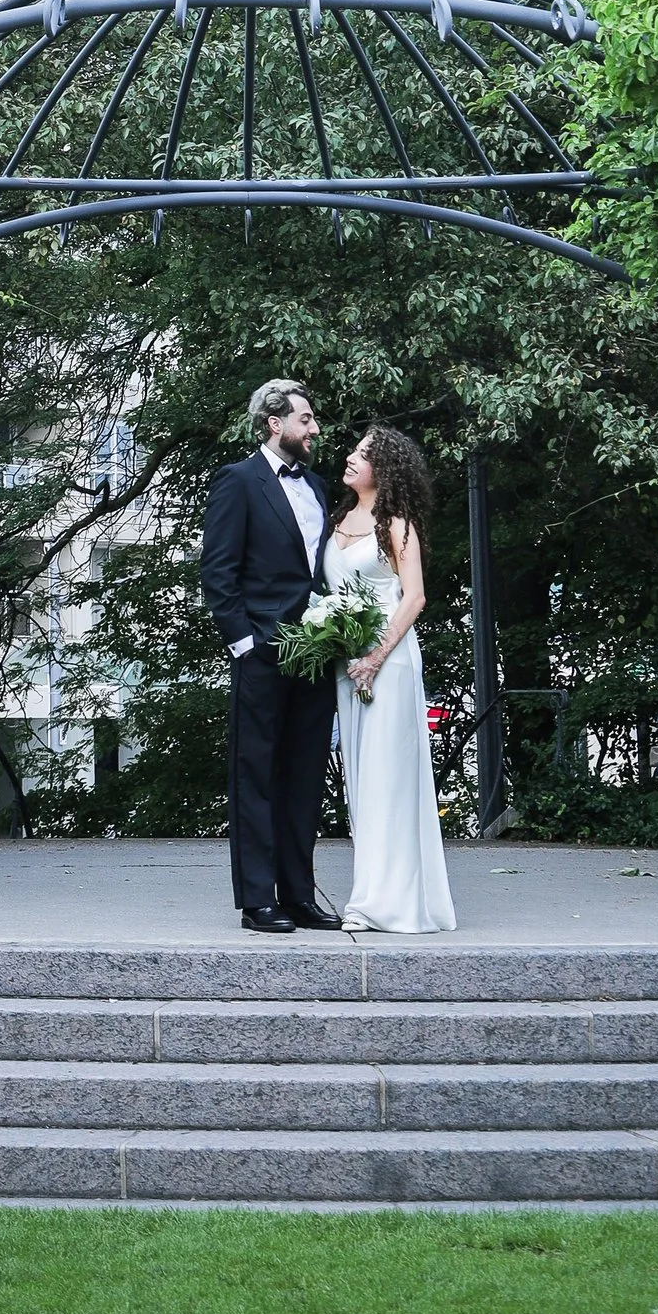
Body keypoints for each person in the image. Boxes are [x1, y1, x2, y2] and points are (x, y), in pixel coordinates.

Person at [199, 378, 341, 932]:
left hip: (316, 652)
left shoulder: (319, 486)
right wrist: (244, 644)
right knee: (255, 775)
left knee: (305, 776)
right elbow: (218, 570)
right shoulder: (239, 481)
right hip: (261, 652)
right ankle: (258, 901)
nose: (314, 428)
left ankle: (299, 895)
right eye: (305, 419)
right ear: (274, 423)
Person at [324, 422, 456, 934]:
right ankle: (370, 892)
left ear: (386, 469)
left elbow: (415, 597)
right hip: (346, 661)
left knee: (389, 780)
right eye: (354, 451)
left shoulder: (395, 523)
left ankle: (391, 903)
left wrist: (375, 657)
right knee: (362, 780)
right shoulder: (339, 519)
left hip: (388, 661)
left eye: (364, 454)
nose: (352, 458)